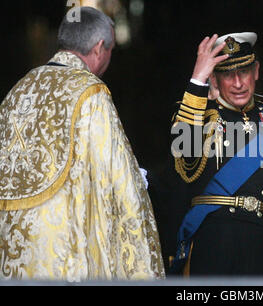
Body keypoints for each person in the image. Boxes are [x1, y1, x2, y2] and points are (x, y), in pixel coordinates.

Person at [0, 7, 164, 281]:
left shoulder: (17, 91)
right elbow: (118, 178)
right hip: (65, 253)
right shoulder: (90, 91)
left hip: (11, 254)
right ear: (100, 48)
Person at [167, 32, 263, 276]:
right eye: (228, 74)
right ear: (215, 79)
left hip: (259, 245)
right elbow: (185, 158)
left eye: (245, 72)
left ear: (257, 71)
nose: (238, 83)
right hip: (212, 242)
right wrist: (197, 79)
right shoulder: (198, 115)